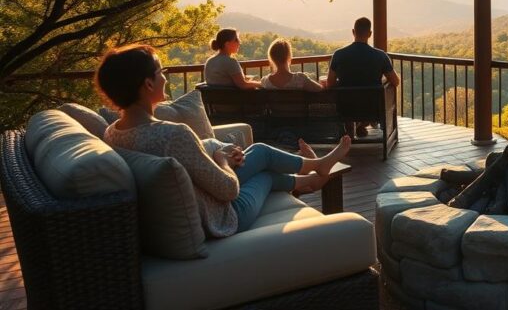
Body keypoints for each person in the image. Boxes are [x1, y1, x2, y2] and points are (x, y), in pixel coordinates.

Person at [97, 44, 351, 236]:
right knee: (263, 166)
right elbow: (228, 189)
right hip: (222, 217)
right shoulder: (173, 134)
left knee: (262, 155)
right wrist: (222, 159)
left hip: (193, 207)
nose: (165, 76)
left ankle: (312, 178)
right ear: (148, 84)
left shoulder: (112, 133)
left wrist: (217, 154)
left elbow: (190, 166)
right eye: (160, 71)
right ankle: (317, 171)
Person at [325, 17, 400, 137]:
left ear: (353, 32)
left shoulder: (338, 55)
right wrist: (383, 82)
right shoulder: (381, 56)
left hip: (345, 108)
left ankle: (350, 129)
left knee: (348, 97)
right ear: (370, 34)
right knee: (377, 92)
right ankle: (363, 124)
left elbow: (330, 84)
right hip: (373, 108)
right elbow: (395, 82)